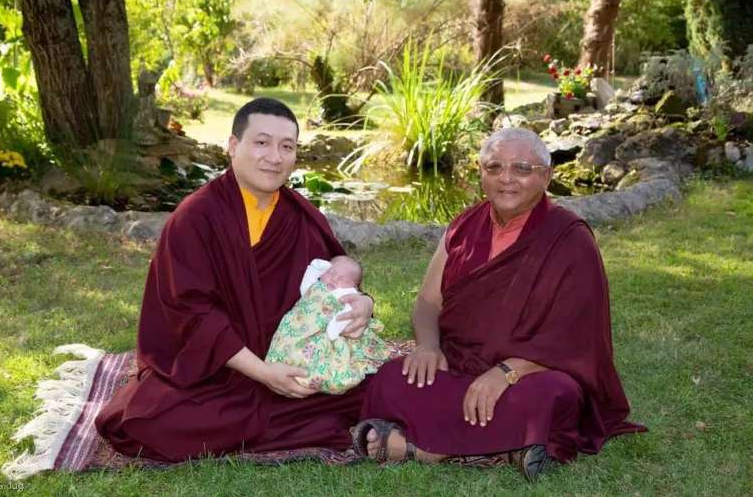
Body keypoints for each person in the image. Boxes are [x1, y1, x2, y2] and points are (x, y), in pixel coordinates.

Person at [352, 128, 646, 481]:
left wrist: (506, 373)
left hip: (527, 377)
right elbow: (429, 302)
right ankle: (509, 449)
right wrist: (429, 346)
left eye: (522, 169)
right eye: (494, 167)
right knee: (390, 379)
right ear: (481, 173)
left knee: (555, 397)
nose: (506, 179)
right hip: (458, 366)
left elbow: (575, 340)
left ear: (546, 176)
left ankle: (420, 449)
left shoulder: (570, 238)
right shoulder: (463, 226)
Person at [95, 98, 375, 462]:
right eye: (261, 142)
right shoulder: (195, 218)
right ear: (232, 146)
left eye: (286, 146)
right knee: (141, 424)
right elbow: (192, 315)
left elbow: (333, 276)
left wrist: (363, 303)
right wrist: (263, 373)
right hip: (217, 371)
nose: (274, 157)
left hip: (287, 358)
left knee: (375, 384)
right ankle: (290, 417)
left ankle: (280, 414)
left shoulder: (299, 215)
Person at [266, 256, 390, 394]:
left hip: (329, 333)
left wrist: (333, 330)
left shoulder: (346, 295)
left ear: (354, 287)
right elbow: (305, 286)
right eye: (331, 273)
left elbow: (346, 315)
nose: (334, 279)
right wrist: (315, 267)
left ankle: (309, 374)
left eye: (343, 279)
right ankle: (282, 361)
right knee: (289, 344)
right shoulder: (316, 287)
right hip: (300, 324)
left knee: (318, 353)